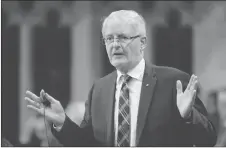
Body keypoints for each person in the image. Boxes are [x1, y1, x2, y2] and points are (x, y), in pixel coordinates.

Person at [25, 10, 217, 147]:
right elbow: (88, 143)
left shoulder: (173, 82)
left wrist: (189, 117)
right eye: (109, 38)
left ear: (142, 43)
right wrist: (62, 122)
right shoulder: (99, 89)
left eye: (123, 38)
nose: (115, 45)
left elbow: (208, 140)